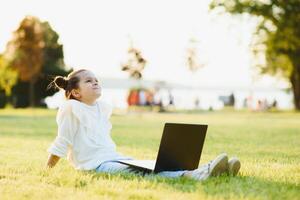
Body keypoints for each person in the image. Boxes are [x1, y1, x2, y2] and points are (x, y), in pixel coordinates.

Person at [46, 69, 241, 181]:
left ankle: (214, 171)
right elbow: (62, 141)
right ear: (76, 92)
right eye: (89, 81)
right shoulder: (71, 108)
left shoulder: (101, 108)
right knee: (142, 171)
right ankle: (196, 174)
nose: (96, 82)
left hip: (113, 158)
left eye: (96, 80)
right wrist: (47, 170)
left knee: (153, 165)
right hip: (94, 165)